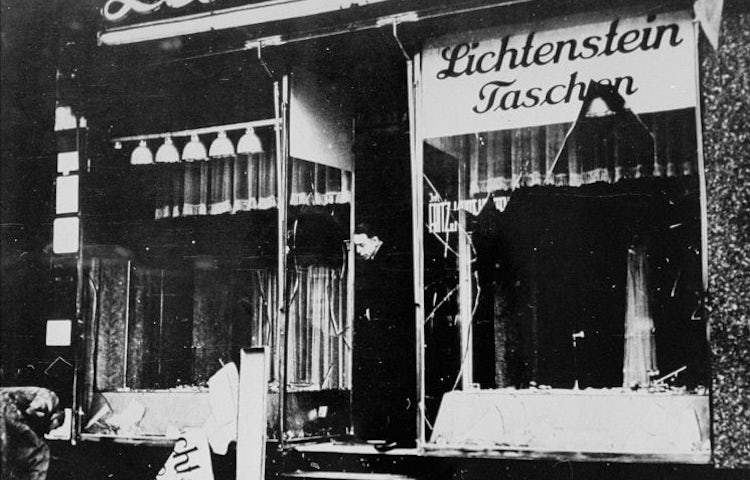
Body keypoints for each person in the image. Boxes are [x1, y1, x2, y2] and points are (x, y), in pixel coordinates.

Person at [352, 223, 415, 451]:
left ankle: (401, 434)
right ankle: (394, 433)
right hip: (387, 334)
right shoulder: (380, 261)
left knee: (395, 384)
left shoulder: (389, 261)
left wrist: (376, 313)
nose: (358, 251)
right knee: (389, 384)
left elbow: (395, 298)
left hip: (395, 336)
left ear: (375, 240)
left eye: (361, 245)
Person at [1, 386, 64, 480]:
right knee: (40, 452)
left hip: (7, 407)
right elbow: (30, 410)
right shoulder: (51, 399)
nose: (49, 431)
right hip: (6, 407)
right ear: (55, 418)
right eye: (54, 428)